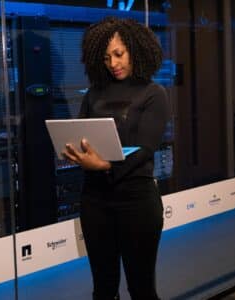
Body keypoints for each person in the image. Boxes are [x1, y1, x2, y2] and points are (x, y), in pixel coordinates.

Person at [62, 17, 170, 300]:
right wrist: (76, 152)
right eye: (107, 57)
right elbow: (81, 132)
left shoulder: (154, 93)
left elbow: (145, 148)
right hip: (95, 201)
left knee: (141, 289)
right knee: (104, 289)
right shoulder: (94, 93)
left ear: (136, 50)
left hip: (137, 202)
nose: (113, 63)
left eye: (119, 54)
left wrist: (106, 165)